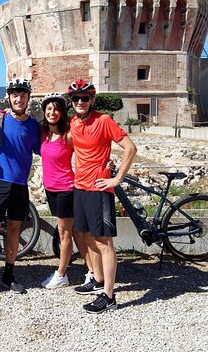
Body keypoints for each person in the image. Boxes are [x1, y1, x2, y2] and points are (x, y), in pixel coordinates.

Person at [67, 79, 137, 314]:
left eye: (84, 98)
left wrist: (117, 179)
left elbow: (130, 147)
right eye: (75, 98)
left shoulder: (104, 120)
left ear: (92, 100)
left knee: (103, 242)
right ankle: (97, 279)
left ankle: (109, 296)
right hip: (80, 187)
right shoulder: (74, 122)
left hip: (99, 189)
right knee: (84, 235)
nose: (79, 102)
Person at [0, 77, 41, 293]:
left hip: (20, 185)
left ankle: (9, 273)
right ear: (9, 97)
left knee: (15, 229)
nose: (18, 98)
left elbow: (46, 150)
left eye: (22, 95)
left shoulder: (33, 126)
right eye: (15, 95)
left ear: (27, 98)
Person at [38, 93, 94, 290]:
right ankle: (93, 272)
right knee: (76, 232)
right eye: (49, 109)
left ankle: (61, 274)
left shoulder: (68, 135)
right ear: (44, 112)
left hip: (66, 189)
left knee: (64, 233)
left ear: (62, 112)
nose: (53, 113)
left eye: (57, 109)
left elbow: (87, 150)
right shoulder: (43, 133)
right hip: (50, 188)